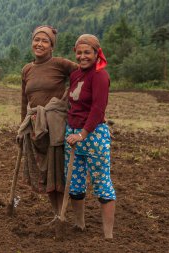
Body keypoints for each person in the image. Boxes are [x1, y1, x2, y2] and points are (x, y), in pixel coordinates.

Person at [16, 25, 78, 221]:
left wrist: (71, 97)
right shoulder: (27, 69)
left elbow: (83, 76)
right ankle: (55, 213)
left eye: (45, 41)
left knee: (57, 171)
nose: (39, 44)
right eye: (37, 40)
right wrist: (21, 128)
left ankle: (63, 214)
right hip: (35, 128)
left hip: (56, 126)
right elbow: (24, 101)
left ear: (52, 46)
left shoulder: (60, 64)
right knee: (44, 174)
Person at [65, 34, 116, 238]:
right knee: (75, 183)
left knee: (102, 183)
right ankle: (79, 225)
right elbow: (73, 104)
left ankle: (108, 236)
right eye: (79, 52)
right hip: (72, 134)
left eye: (87, 52)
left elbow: (97, 109)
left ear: (96, 53)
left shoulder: (100, 76)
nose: (83, 56)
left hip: (93, 135)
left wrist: (83, 134)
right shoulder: (75, 75)